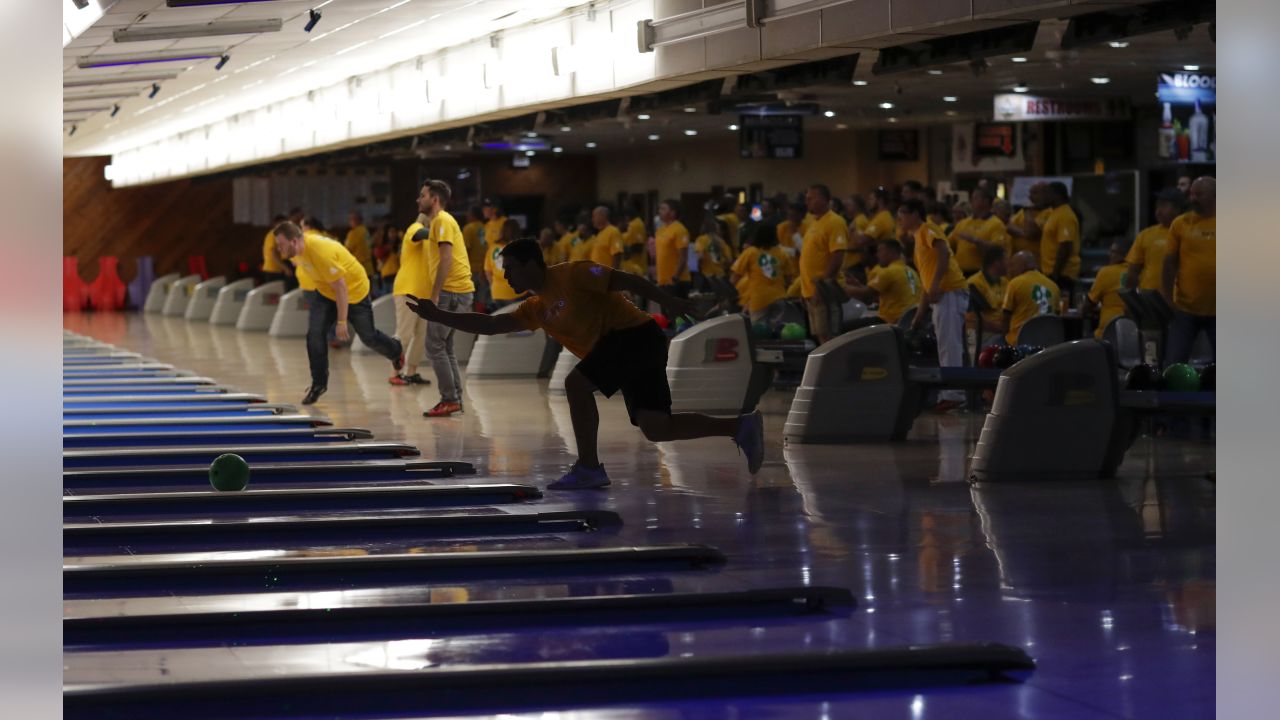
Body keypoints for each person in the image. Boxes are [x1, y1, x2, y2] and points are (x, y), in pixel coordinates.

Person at [405, 241, 765, 489]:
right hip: (630, 348)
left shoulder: (573, 274)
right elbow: (491, 325)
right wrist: (440, 315)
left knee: (576, 385)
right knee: (657, 427)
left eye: (511, 269)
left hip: (635, 335)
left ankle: (589, 468)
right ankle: (740, 427)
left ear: (532, 263)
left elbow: (627, 280)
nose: (508, 277)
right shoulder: (535, 308)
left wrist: (669, 301)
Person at [273, 221, 404, 405]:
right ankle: (319, 384)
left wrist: (341, 322)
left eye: (281, 245)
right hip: (326, 294)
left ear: (294, 241)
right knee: (315, 335)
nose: (279, 249)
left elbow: (341, 288)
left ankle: (395, 350)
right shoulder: (296, 253)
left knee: (368, 336)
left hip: (354, 292)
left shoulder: (320, 251)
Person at [901, 198, 967, 412]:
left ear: (914, 214)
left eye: (903, 213)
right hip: (941, 294)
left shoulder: (927, 229)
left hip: (948, 290)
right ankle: (949, 392)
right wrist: (918, 319)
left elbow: (943, 251)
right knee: (945, 345)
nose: (899, 218)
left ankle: (955, 394)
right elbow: (926, 285)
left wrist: (937, 283)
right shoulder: (918, 241)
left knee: (950, 345)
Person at [418, 179, 476, 418]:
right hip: (458, 292)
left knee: (434, 345)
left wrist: (434, 295)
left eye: (422, 195)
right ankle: (454, 399)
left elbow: (446, 259)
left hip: (450, 292)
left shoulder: (441, 220)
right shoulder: (441, 222)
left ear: (434, 199)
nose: (418, 199)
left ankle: (450, 399)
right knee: (445, 347)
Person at [1162, 176, 1216, 363]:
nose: (1192, 198)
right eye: (1192, 194)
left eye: (1198, 194)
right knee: (1173, 365)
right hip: (1185, 310)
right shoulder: (1180, 223)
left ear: (1214, 197)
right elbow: (1168, 264)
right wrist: (1168, 298)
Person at [798, 184, 849, 344]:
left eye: (810, 199)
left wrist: (822, 286)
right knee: (820, 336)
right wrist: (804, 288)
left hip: (824, 291)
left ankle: (835, 369)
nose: (807, 202)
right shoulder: (813, 223)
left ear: (823, 199)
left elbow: (837, 256)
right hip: (811, 290)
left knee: (829, 338)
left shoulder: (834, 222)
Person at [842, 239, 921, 325]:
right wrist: (858, 285)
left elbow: (866, 295)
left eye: (880, 251)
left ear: (891, 252)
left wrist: (840, 286)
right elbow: (873, 298)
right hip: (907, 320)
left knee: (843, 327)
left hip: (890, 321)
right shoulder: (911, 272)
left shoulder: (889, 272)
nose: (877, 255)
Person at [730, 221, 792, 322]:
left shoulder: (750, 252)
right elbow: (789, 279)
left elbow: (735, 276)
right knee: (777, 332)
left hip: (759, 300)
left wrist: (731, 295)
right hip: (779, 298)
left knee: (759, 333)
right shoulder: (782, 253)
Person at [1126, 189, 1184, 291]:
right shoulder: (1145, 235)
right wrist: (1131, 301)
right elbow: (1132, 271)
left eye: (1163, 206)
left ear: (1177, 209)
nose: (1158, 211)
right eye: (1157, 206)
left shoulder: (1190, 233)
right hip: (1150, 298)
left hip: (1181, 298)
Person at [1002, 250, 1060, 345]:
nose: (1011, 270)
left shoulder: (1014, 284)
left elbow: (1006, 317)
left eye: (1013, 265)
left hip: (1019, 343)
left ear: (1023, 266)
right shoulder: (1054, 286)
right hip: (1047, 343)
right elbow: (1056, 316)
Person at [948, 187, 1010, 276]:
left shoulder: (996, 224)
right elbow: (948, 243)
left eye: (975, 198)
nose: (971, 201)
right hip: (960, 272)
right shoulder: (963, 223)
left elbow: (997, 250)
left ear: (985, 201)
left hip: (980, 274)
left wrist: (975, 240)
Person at [1039, 181, 1081, 299]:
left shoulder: (1065, 215)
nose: (1044, 196)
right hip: (1051, 273)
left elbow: (1066, 245)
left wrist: (1055, 274)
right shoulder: (1054, 213)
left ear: (1057, 195)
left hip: (1062, 275)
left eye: (1047, 193)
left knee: (1062, 310)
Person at [966, 246, 1009, 345]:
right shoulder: (974, 283)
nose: (1010, 263)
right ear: (997, 263)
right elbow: (977, 320)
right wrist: (1005, 329)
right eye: (1006, 259)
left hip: (1003, 330)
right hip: (983, 334)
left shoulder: (1005, 281)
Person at [1085, 242, 1129, 338]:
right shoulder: (1137, 272)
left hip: (1107, 333)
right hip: (1130, 332)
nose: (1109, 254)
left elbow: (1089, 303)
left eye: (1113, 252)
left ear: (1124, 255)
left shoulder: (1106, 272)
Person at [485, 218, 527, 309]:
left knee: (500, 322)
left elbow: (488, 271)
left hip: (497, 293)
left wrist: (495, 286)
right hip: (516, 292)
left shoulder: (492, 247)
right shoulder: (519, 247)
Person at [654, 198, 692, 297]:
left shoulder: (679, 230)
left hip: (677, 281)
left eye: (663, 209)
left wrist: (675, 277)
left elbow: (683, 257)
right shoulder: (660, 230)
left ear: (673, 213)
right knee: (664, 312)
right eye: (660, 209)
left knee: (676, 312)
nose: (659, 211)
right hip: (662, 281)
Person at [852, 187, 897, 262]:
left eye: (871, 199)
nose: (869, 202)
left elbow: (861, 241)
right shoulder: (884, 216)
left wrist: (853, 230)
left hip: (881, 262)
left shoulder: (881, 219)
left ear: (880, 201)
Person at [1008, 182, 1049, 263]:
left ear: (1046, 194)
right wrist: (1024, 233)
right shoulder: (1022, 212)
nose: (1030, 197)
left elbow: (1031, 233)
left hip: (1036, 262)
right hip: (1018, 261)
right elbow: (1009, 227)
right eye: (1030, 193)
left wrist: (1028, 212)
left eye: (1035, 193)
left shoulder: (1049, 213)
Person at [693, 214, 733, 287]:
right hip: (721, 277)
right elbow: (729, 261)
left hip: (706, 276)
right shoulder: (722, 242)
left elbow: (700, 257)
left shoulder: (701, 239)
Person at [462, 206, 487, 297]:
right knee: (481, 300)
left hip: (471, 270)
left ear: (473, 215)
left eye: (468, 213)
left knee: (468, 300)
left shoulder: (469, 228)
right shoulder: (485, 227)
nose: (467, 216)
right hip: (484, 270)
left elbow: (466, 250)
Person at [261, 213, 289, 286]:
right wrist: (285, 268)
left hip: (278, 269)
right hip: (272, 270)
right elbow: (274, 254)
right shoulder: (273, 235)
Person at [345, 212, 375, 277]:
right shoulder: (365, 231)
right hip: (368, 268)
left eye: (351, 219)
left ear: (357, 220)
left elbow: (346, 250)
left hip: (358, 268)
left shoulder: (354, 233)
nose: (349, 222)